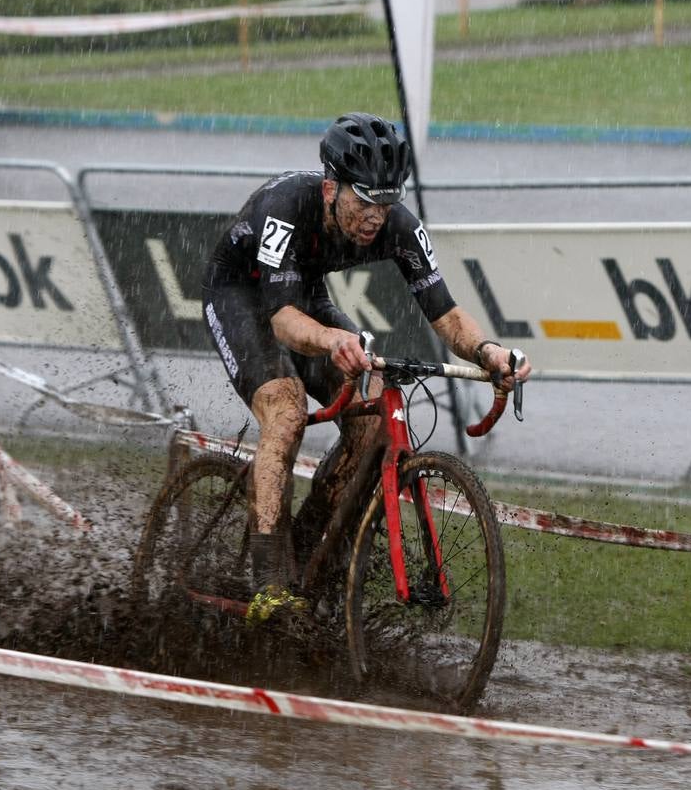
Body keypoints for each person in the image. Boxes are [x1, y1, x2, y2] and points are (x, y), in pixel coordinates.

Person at [202, 112, 532, 623]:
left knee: (372, 416)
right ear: (331, 188)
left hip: (304, 294)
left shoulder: (397, 225)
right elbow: (283, 322)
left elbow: (445, 315)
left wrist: (488, 351)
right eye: (364, 201)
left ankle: (311, 548)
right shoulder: (285, 208)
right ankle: (268, 580)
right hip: (242, 297)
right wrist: (334, 337)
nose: (376, 217)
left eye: (387, 201)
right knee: (285, 411)